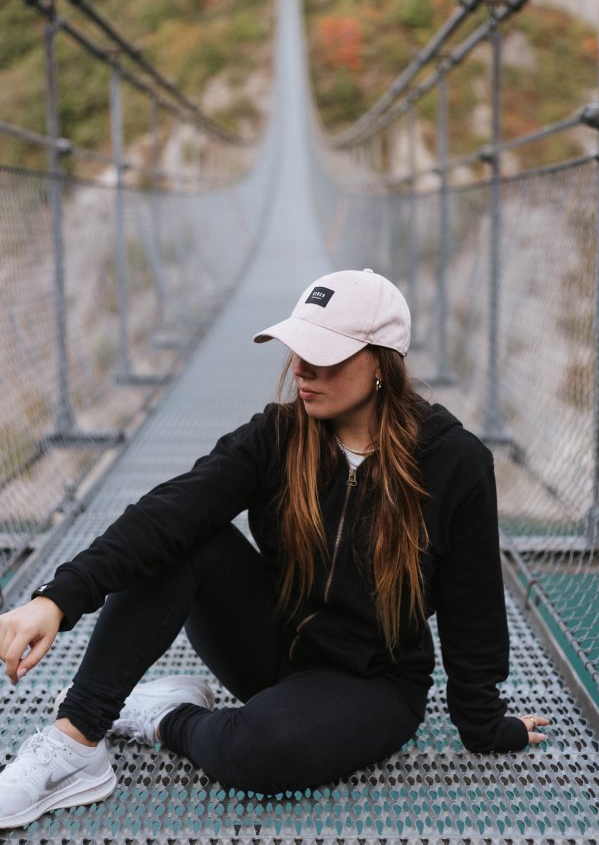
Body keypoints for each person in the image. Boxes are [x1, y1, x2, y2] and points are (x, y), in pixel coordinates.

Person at [0, 268, 548, 829]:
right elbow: (167, 514)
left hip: (372, 682)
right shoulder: (279, 435)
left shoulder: (456, 464)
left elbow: (472, 608)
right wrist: (56, 599)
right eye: (297, 349)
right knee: (183, 537)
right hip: (270, 641)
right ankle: (76, 742)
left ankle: (166, 715)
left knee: (259, 752)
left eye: (325, 355)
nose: (302, 371)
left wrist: (485, 725)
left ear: (381, 363)